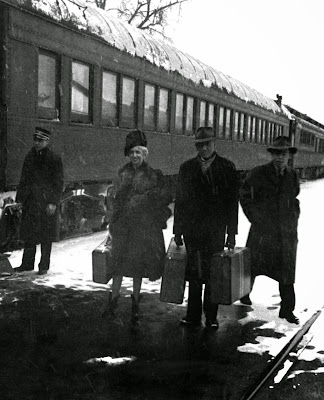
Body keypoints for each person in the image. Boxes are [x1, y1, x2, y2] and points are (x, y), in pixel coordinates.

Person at [103, 130, 172, 325]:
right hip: (123, 227)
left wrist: (144, 200)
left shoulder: (152, 175)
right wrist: (112, 222)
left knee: (136, 269)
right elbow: (115, 198)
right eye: (132, 152)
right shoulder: (122, 172)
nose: (134, 156)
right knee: (117, 266)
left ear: (144, 154)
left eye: (138, 153)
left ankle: (135, 306)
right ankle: (113, 302)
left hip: (141, 230)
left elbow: (162, 198)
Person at [173, 126, 239, 329]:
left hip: (215, 231)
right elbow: (180, 201)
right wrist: (177, 230)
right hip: (192, 230)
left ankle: (211, 317)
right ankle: (192, 316)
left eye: (207, 145)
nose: (203, 149)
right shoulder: (187, 168)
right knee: (193, 274)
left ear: (214, 143)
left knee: (212, 275)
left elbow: (231, 204)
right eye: (200, 145)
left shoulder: (227, 168)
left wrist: (231, 233)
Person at [240, 136, 300, 324]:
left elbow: (295, 197)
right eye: (276, 154)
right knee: (253, 266)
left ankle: (287, 309)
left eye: (283, 154)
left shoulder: (292, 175)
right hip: (262, 231)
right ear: (272, 155)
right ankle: (244, 294)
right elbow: (244, 196)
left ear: (289, 155)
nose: (279, 158)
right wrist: (256, 218)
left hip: (285, 233)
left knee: (286, 271)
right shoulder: (258, 173)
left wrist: (294, 216)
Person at [15, 127, 64, 275]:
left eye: (40, 140)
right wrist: (20, 199)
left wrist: (53, 202)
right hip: (31, 202)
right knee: (29, 235)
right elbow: (24, 179)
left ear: (47, 141)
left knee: (45, 236)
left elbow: (58, 182)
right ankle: (27, 264)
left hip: (45, 203)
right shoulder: (30, 156)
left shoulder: (54, 158)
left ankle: (43, 266)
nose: (37, 143)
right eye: (35, 139)